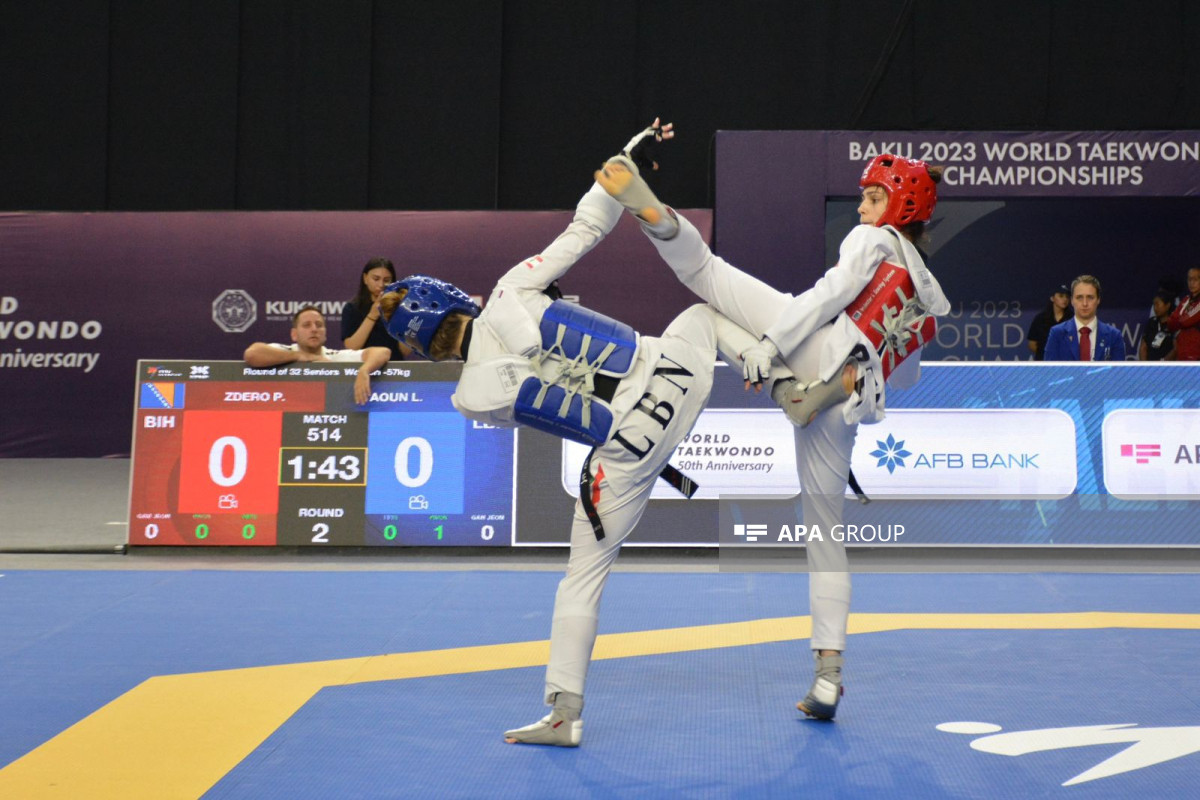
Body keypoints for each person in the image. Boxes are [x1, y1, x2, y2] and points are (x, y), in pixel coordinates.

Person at [377, 123, 780, 747]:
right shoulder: (514, 287)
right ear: (452, 298)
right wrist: (624, 160)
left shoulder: (467, 397)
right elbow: (587, 226)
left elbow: (522, 382)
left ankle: (563, 714)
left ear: (424, 344)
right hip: (676, 378)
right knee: (704, 313)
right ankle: (774, 375)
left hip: (630, 453)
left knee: (582, 577)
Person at [595, 144, 950, 721]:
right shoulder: (928, 290)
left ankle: (645, 207)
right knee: (825, 536)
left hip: (814, 352)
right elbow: (905, 375)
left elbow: (828, 294)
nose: (862, 205)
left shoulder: (871, 240)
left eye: (874, 196)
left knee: (706, 284)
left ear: (901, 206)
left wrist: (770, 345)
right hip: (849, 401)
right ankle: (829, 677)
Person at [244, 305, 390, 404]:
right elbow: (252, 354)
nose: (314, 329)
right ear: (294, 334)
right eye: (307, 325)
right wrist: (299, 357)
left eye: (319, 325)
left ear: (325, 333)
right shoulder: (284, 351)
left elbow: (382, 352)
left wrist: (365, 370)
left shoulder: (333, 357)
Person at [341, 257, 414, 360]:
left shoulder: (400, 308)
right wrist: (372, 316)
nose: (381, 285)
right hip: (363, 369)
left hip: (395, 370)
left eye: (387, 280)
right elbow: (352, 348)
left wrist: (400, 316)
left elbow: (404, 351)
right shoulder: (352, 308)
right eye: (376, 279)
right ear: (365, 278)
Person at [1043, 275, 1126, 361]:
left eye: (1090, 297)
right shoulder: (1057, 333)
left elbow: (1118, 373)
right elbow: (1050, 372)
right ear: (1072, 300)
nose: (1085, 303)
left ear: (1098, 300)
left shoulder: (1114, 336)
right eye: (1079, 297)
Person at [1027, 284, 1071, 360]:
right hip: (1044, 363)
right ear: (1052, 298)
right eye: (1061, 296)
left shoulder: (1073, 318)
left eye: (1067, 297)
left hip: (1067, 363)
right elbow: (1032, 344)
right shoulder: (1040, 319)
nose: (1065, 299)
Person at [1166, 267, 1200, 361]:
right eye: (1189, 279)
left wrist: (1178, 320)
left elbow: (1186, 321)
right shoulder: (1185, 300)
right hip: (1182, 355)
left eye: (1195, 279)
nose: (1191, 283)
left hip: (1196, 356)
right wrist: (1179, 320)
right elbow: (1170, 323)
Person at [1139, 290, 1176, 361]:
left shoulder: (1174, 323)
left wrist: (1162, 363)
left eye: (1158, 304)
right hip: (1149, 366)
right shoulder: (1151, 322)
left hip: (1167, 367)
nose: (1155, 308)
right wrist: (1144, 365)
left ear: (1168, 305)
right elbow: (1143, 347)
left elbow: (1176, 349)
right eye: (1154, 304)